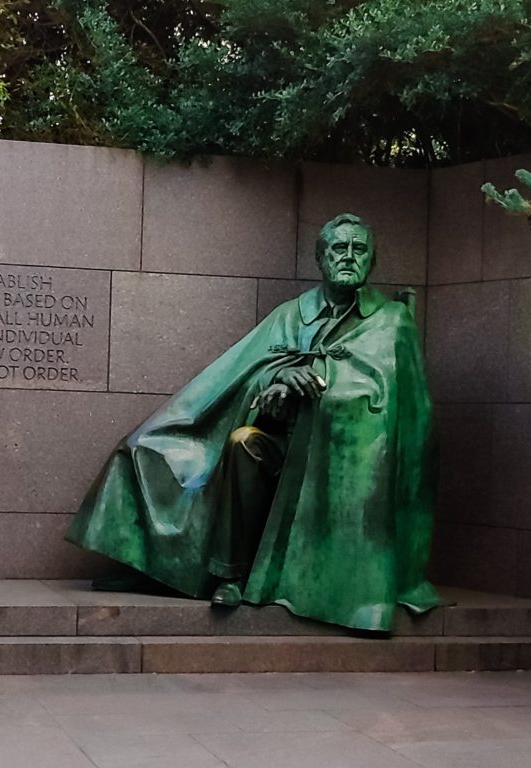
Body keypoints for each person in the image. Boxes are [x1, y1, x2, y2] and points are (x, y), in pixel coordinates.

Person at [65, 213, 441, 632]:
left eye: (359, 249)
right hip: (280, 445)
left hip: (341, 461)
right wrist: (275, 380)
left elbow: (397, 407)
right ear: (321, 258)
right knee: (202, 444)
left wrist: (319, 385)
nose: (349, 257)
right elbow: (246, 372)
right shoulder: (291, 314)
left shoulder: (392, 321)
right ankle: (221, 573)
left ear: (372, 261)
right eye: (339, 248)